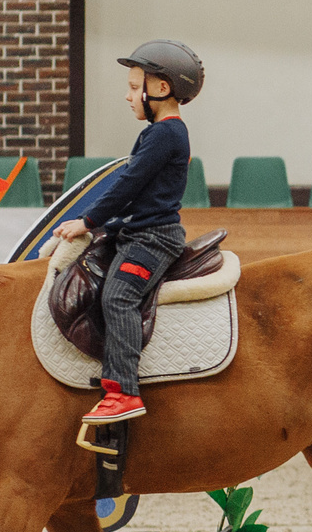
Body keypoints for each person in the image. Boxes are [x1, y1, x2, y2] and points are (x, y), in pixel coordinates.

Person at [54, 39, 205, 425]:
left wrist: (87, 221)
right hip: (137, 231)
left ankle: (123, 390)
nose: (128, 96)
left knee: (118, 296)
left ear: (161, 89)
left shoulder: (166, 134)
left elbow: (127, 185)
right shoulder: (159, 133)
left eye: (135, 87)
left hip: (153, 239)